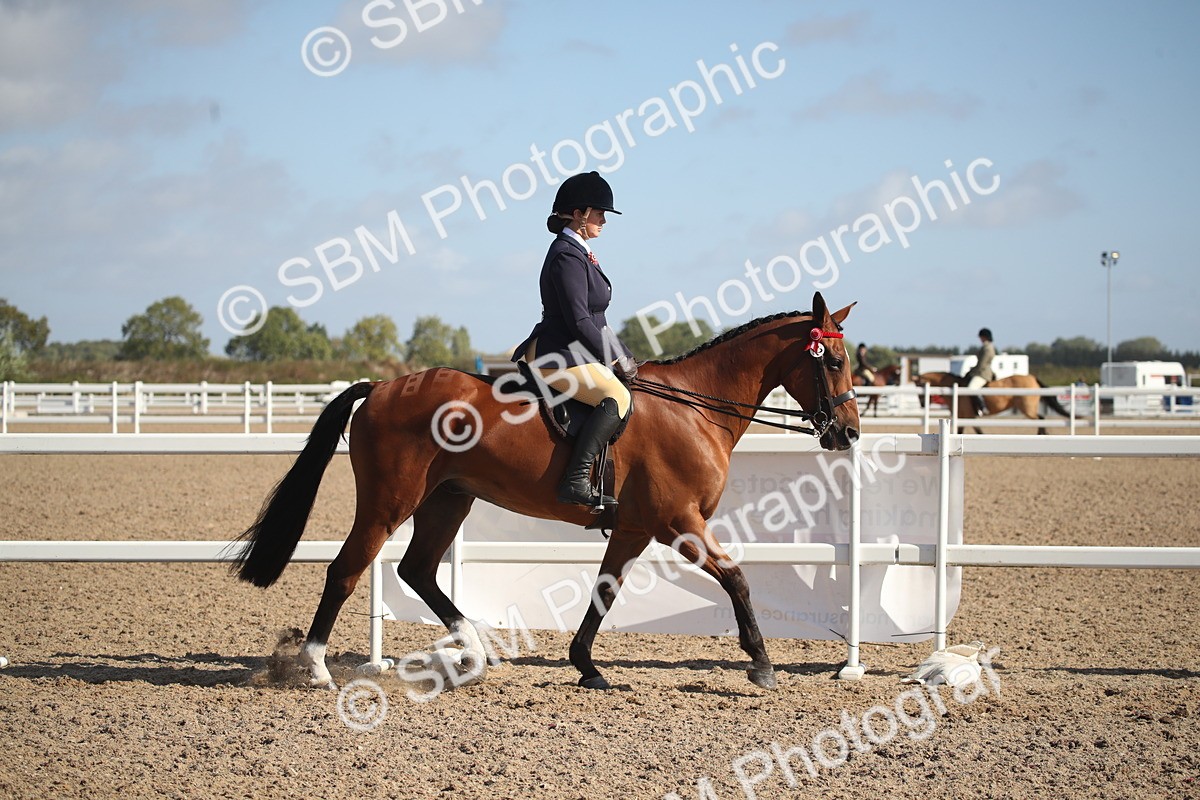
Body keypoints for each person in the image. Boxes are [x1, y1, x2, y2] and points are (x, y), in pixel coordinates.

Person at [511, 171, 638, 509]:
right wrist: (614, 359)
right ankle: (577, 479)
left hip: (574, 350)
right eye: (599, 213)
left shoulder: (580, 253)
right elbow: (580, 320)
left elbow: (599, 321)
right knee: (616, 395)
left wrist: (626, 355)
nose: (604, 220)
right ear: (580, 214)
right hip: (558, 354)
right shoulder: (567, 255)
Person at [962, 327, 996, 415]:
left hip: (983, 373)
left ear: (984, 337)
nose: (980, 339)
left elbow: (982, 364)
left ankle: (983, 407)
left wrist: (972, 372)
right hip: (980, 371)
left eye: (981, 337)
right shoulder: (986, 347)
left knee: (972, 388)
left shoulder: (987, 348)